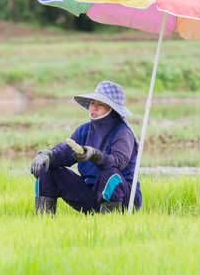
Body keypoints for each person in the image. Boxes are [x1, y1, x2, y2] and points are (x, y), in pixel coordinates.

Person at [31, 81, 142, 215]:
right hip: (91, 194)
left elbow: (118, 162)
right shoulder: (84, 130)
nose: (94, 108)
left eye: (100, 104)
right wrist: (47, 155)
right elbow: (65, 152)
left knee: (109, 174)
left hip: (123, 198)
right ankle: (44, 223)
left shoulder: (123, 133)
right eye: (92, 103)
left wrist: (95, 155)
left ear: (112, 109)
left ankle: (111, 224)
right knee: (48, 170)